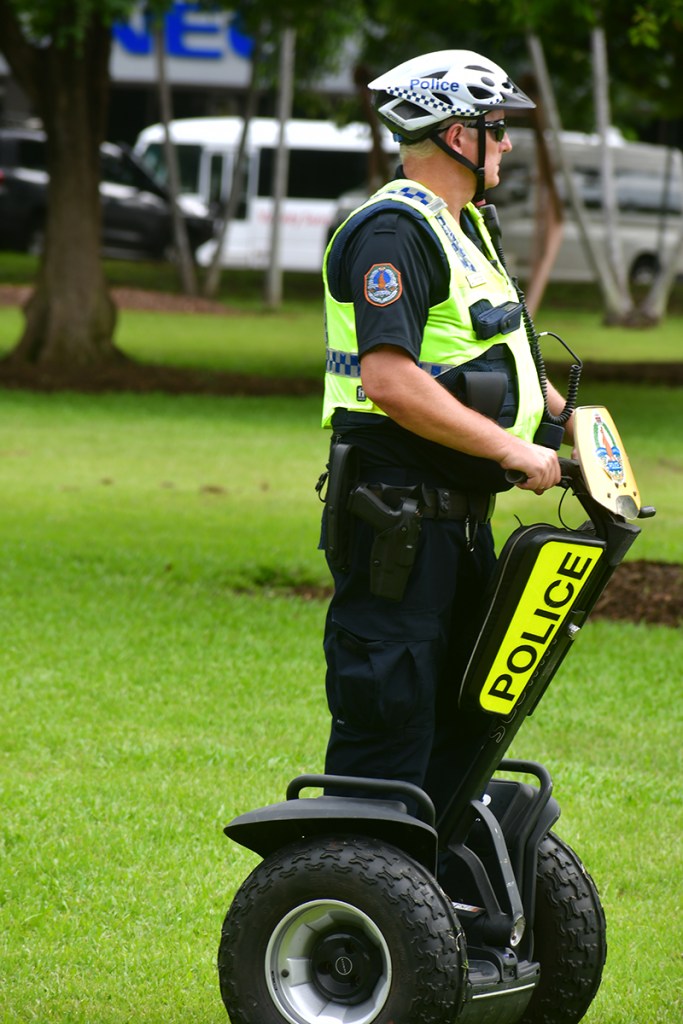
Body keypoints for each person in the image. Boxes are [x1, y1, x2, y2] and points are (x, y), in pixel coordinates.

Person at [318, 50, 575, 825]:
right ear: (456, 134)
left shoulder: (466, 230)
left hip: (457, 523)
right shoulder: (393, 233)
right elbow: (390, 381)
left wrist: (578, 429)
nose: (507, 143)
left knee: (467, 714)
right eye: (497, 127)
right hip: (396, 523)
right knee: (391, 717)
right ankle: (358, 879)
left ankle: (436, 877)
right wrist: (511, 450)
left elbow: (502, 356)